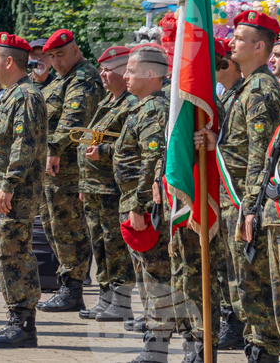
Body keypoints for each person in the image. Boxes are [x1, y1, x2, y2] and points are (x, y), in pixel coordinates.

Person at [0, 32, 46, 348]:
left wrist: (9, 185)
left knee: (15, 255)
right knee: (4, 255)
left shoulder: (26, 96)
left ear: (9, 61)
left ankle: (24, 325)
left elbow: (23, 145)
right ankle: (15, 320)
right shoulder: (12, 94)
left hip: (13, 194)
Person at [219, 11, 280, 363]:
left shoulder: (260, 90)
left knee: (254, 289)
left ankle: (264, 352)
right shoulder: (243, 88)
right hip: (236, 199)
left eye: (240, 38)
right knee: (242, 285)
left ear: (260, 47)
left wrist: (250, 207)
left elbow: (261, 156)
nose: (232, 42)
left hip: (249, 202)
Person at [113, 45, 174, 362]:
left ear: (151, 74)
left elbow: (153, 160)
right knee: (146, 276)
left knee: (155, 278)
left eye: (131, 71)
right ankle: (154, 341)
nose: (125, 76)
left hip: (145, 207)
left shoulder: (153, 109)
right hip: (133, 202)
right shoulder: (143, 106)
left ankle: (156, 348)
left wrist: (138, 206)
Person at [38, 28, 103, 312]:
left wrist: (52, 148)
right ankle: (67, 284)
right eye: (52, 56)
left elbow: (73, 120)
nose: (57, 61)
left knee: (68, 228)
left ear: (75, 50)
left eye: (61, 54)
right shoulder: (60, 80)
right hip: (53, 168)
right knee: (54, 227)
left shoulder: (82, 78)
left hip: (70, 167)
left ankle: (73, 288)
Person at [76, 46, 137, 322]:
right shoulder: (106, 102)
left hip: (113, 188)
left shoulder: (131, 104)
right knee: (99, 244)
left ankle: (121, 303)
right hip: (94, 187)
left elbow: (130, 147)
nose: (102, 73)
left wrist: (104, 152)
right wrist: (83, 182)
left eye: (109, 69)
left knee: (116, 247)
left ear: (125, 72)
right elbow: (91, 140)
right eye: (101, 68)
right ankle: (105, 297)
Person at [212, 37, 246, 350]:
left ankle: (239, 326)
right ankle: (231, 320)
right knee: (225, 266)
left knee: (238, 267)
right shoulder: (228, 97)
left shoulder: (246, 94)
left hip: (239, 195)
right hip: (225, 195)